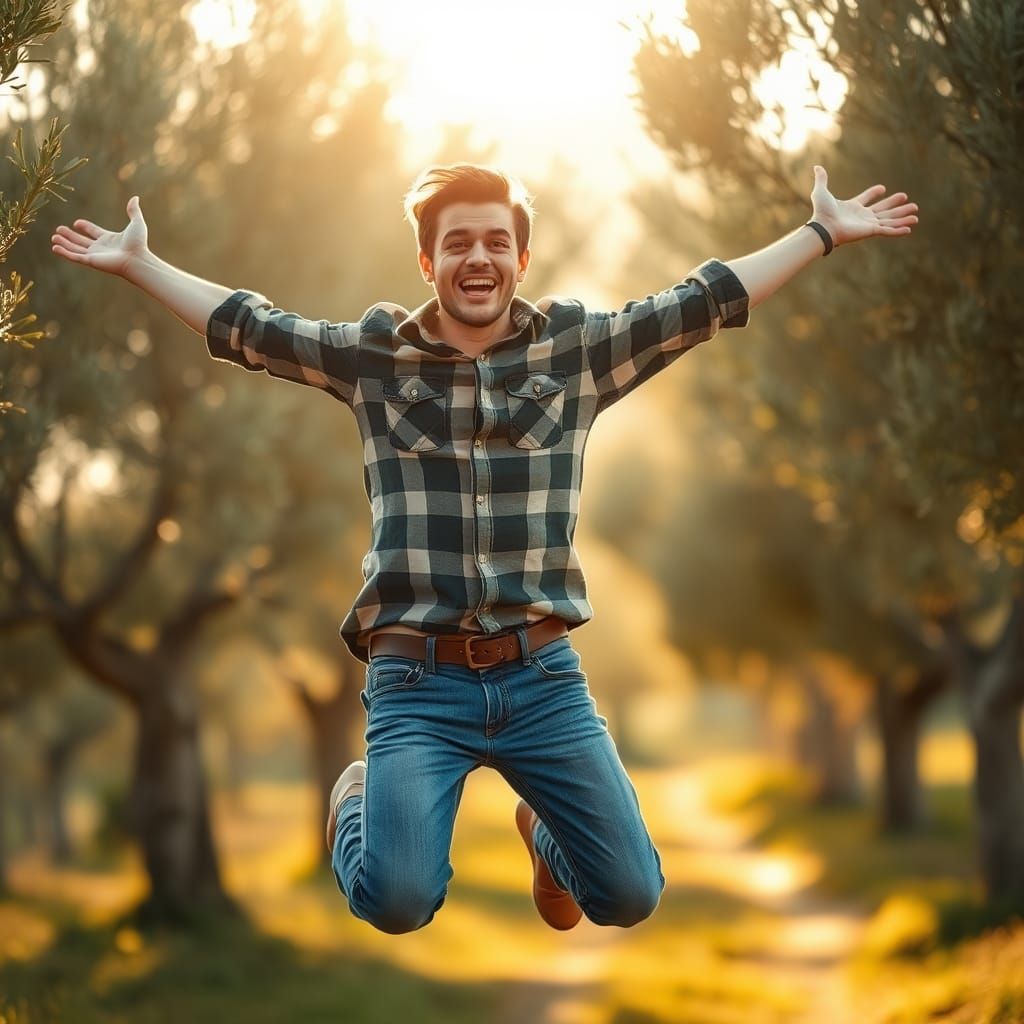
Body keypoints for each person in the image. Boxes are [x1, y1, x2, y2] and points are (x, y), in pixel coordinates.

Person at [52, 162, 917, 934]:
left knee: (628, 896)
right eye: (457, 242)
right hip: (416, 682)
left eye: (496, 242)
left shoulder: (575, 352)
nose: (478, 258)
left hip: (540, 677)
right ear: (428, 261)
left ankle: (543, 831)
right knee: (394, 901)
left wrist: (821, 233)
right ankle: (356, 799)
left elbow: (702, 299)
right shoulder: (375, 359)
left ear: (521, 257)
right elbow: (252, 327)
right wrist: (138, 263)